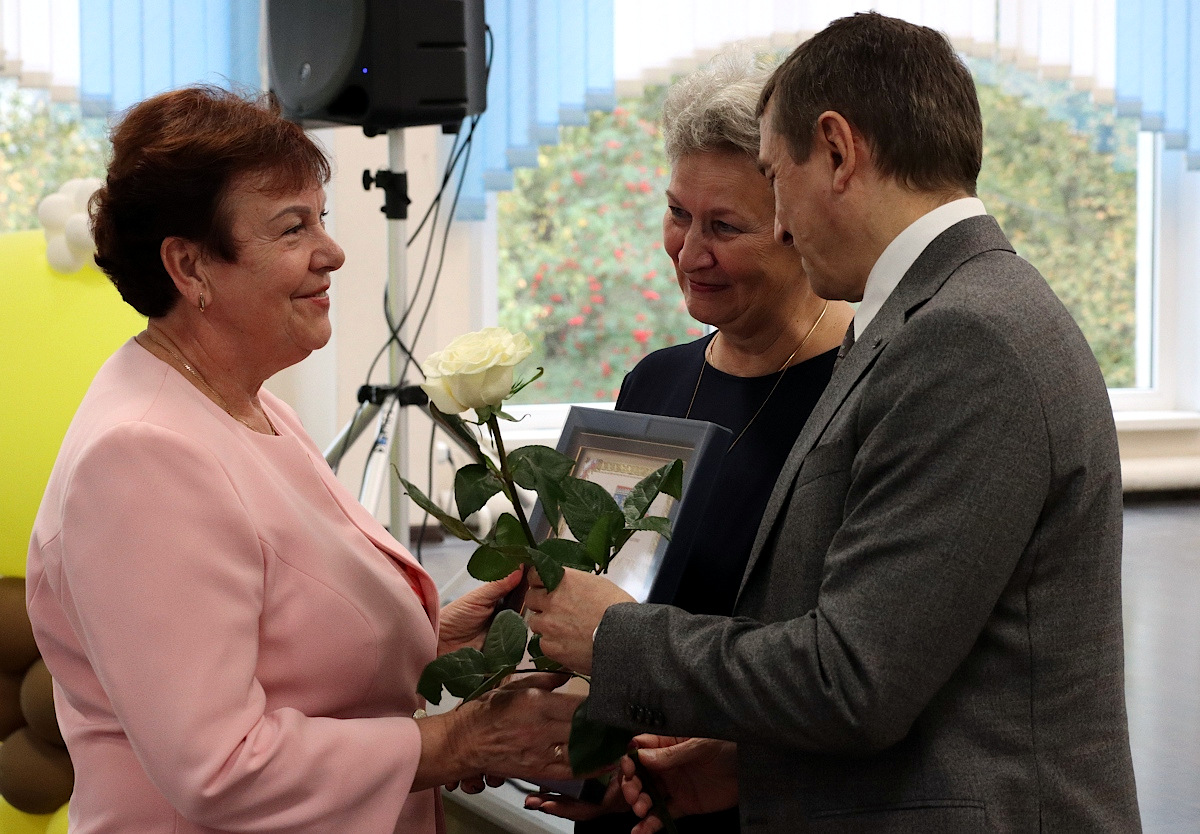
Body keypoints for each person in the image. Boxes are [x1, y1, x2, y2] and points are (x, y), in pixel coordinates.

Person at [524, 12, 1141, 832]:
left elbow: (852, 680)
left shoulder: (962, 338)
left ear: (839, 152)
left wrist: (613, 637)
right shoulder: (955, 312)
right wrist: (750, 769)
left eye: (775, 180)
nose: (781, 222)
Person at [25, 85, 580, 834]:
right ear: (189, 266)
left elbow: (279, 641)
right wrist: (456, 741)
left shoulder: (248, 404)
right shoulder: (140, 457)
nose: (333, 252)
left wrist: (437, 640)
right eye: (294, 228)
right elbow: (220, 765)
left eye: (321, 219)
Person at [524, 51, 851, 834]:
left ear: (797, 223)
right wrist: (602, 759)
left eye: (724, 227)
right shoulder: (654, 380)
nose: (688, 251)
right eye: (678, 214)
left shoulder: (864, 391)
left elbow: (855, 667)